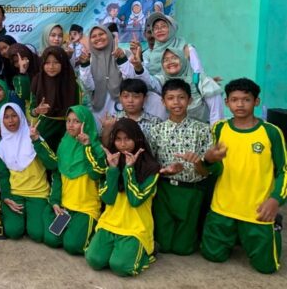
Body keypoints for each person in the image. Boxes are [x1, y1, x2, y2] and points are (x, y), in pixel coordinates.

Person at [200, 78, 286, 274]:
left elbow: (284, 170)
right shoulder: (219, 128)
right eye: (234, 100)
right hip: (222, 207)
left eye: (246, 100)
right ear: (227, 102)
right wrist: (208, 160)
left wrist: (276, 199)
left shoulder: (271, 132)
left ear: (256, 101)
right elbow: (214, 166)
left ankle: (273, 225)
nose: (240, 104)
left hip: (256, 210)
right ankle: (236, 234)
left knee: (267, 268)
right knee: (212, 256)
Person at [85, 118, 160, 277]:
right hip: (109, 223)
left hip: (135, 228)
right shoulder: (111, 160)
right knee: (94, 260)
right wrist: (112, 169)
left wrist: (129, 169)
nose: (123, 144)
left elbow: (135, 199)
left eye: (127, 139)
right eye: (118, 139)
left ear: (137, 139)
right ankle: (121, 250)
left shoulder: (151, 168)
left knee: (120, 266)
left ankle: (148, 251)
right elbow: (108, 199)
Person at [149, 79, 214, 255]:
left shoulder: (203, 130)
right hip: (164, 190)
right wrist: (164, 171)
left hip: (192, 191)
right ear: (163, 102)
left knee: (183, 249)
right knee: (163, 245)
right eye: (170, 98)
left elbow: (206, 172)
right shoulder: (156, 131)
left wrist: (197, 163)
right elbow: (149, 164)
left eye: (181, 97)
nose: (176, 102)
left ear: (190, 100)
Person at [48, 105, 107, 255]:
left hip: (86, 209)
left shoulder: (97, 148)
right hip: (66, 208)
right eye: (68, 121)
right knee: (51, 239)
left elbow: (96, 174)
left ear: (86, 123)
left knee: (72, 245)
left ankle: (96, 234)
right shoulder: (64, 145)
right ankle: (76, 230)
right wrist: (55, 201)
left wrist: (87, 146)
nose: (71, 125)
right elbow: (58, 175)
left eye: (76, 121)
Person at [0, 103, 59, 245]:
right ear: (1, 120)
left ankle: (37, 218)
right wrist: (6, 196)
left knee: (37, 234)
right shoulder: (2, 146)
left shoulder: (34, 136)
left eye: (14, 116)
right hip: (15, 194)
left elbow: (53, 164)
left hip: (37, 193)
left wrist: (36, 141)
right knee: (13, 231)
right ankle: (25, 220)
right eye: (6, 117)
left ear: (21, 116)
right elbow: (2, 175)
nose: (11, 120)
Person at [137, 47, 223, 124]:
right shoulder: (162, 80)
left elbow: (216, 113)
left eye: (174, 58)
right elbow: (149, 83)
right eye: (166, 60)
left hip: (203, 133)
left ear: (183, 59)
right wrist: (139, 67)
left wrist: (216, 133)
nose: (170, 62)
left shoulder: (200, 80)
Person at [78, 25, 136, 125]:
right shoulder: (88, 60)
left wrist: (122, 59)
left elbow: (131, 80)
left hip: (122, 107)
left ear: (109, 35)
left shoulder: (124, 53)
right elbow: (89, 86)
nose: (98, 38)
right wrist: (84, 66)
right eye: (93, 36)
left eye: (101, 34)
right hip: (99, 110)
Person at [29, 46, 80, 152]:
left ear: (63, 63)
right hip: (45, 130)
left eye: (56, 62)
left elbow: (78, 111)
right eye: (47, 63)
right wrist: (37, 110)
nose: (51, 67)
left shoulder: (72, 83)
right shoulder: (37, 81)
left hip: (68, 130)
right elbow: (32, 111)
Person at [100, 79, 161, 146]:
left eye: (136, 97)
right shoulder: (112, 121)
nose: (130, 100)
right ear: (120, 98)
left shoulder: (155, 122)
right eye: (126, 96)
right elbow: (104, 147)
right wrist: (107, 130)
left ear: (145, 98)